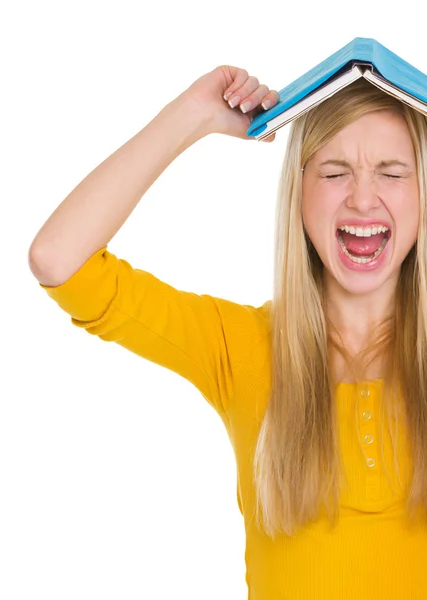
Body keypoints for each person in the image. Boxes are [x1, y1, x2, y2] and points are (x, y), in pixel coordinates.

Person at [28, 65, 427, 598]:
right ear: (299, 195)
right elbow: (59, 259)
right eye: (334, 173)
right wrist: (195, 113)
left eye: (392, 172)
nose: (361, 197)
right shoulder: (240, 346)